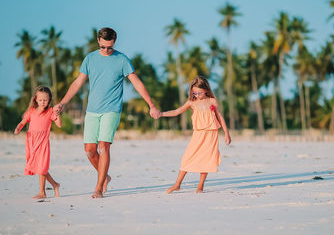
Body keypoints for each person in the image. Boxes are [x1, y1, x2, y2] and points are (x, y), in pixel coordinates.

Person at [54, 27, 160, 198]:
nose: (106, 50)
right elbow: (78, 82)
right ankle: (106, 177)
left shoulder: (122, 60)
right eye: (103, 47)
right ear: (98, 41)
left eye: (109, 47)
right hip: (92, 110)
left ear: (114, 43)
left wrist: (151, 105)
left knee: (103, 146)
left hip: (112, 109)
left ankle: (98, 188)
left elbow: (137, 83)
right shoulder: (89, 59)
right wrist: (63, 103)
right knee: (89, 150)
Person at [161, 76, 231, 193]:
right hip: (198, 134)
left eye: (199, 93)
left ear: (206, 90)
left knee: (206, 159)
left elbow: (220, 117)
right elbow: (176, 112)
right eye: (194, 93)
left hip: (211, 134)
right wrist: (161, 114)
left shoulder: (212, 101)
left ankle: (201, 185)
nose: (197, 95)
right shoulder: (191, 102)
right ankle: (177, 184)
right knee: (187, 157)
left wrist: (227, 134)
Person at [14, 86, 62, 199]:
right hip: (31, 142)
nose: (43, 102)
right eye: (40, 100)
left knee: (42, 168)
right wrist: (18, 127)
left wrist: (58, 114)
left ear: (49, 100)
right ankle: (55, 185)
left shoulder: (50, 111)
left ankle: (42, 192)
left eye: (45, 100)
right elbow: (23, 121)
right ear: (36, 99)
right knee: (40, 168)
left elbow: (59, 125)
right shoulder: (31, 111)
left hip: (43, 142)